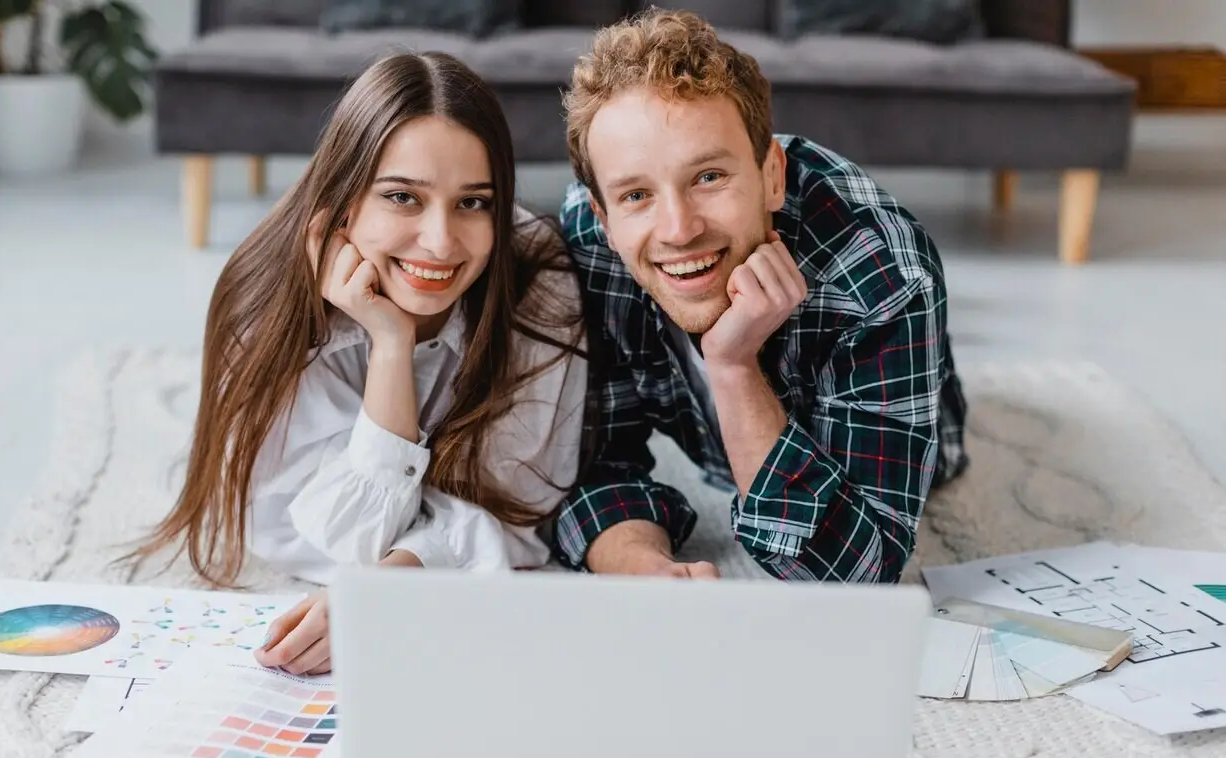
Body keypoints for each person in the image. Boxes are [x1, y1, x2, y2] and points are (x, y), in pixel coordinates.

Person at [134, 51, 587, 674]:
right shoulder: (264, 307)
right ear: (345, 202)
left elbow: (523, 516)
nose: (440, 241)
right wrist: (391, 344)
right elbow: (317, 535)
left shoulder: (536, 276)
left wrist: (387, 588)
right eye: (403, 197)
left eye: (473, 203)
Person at [551, 9, 968, 584]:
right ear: (602, 214)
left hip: (909, 424)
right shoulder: (590, 241)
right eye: (637, 195)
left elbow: (857, 573)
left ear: (772, 174)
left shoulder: (885, 274)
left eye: (708, 178)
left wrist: (733, 366)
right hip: (720, 451)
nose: (678, 229)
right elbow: (594, 461)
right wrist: (638, 564)